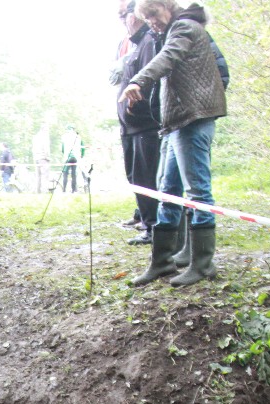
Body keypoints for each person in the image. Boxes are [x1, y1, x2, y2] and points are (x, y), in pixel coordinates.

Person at [121, 0, 227, 287]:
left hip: (193, 118)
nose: (152, 22)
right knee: (167, 191)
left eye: (153, 14)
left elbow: (168, 57)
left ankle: (203, 264)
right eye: (147, 18)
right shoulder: (170, 31)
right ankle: (163, 261)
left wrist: (138, 81)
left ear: (166, 5)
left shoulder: (185, 27)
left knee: (197, 192)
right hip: (174, 123)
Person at [116, 0, 161, 246]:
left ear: (137, 15)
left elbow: (151, 81)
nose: (123, 20)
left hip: (145, 125)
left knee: (147, 179)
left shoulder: (149, 42)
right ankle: (146, 222)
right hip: (130, 127)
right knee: (136, 178)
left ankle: (154, 228)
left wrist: (136, 107)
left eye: (124, 15)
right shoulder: (133, 45)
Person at [59, 125, 83, 193]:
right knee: (73, 174)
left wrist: (64, 153)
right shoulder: (78, 137)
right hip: (75, 157)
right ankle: (73, 190)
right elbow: (80, 147)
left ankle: (64, 190)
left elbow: (62, 149)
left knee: (65, 173)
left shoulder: (64, 136)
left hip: (67, 157)